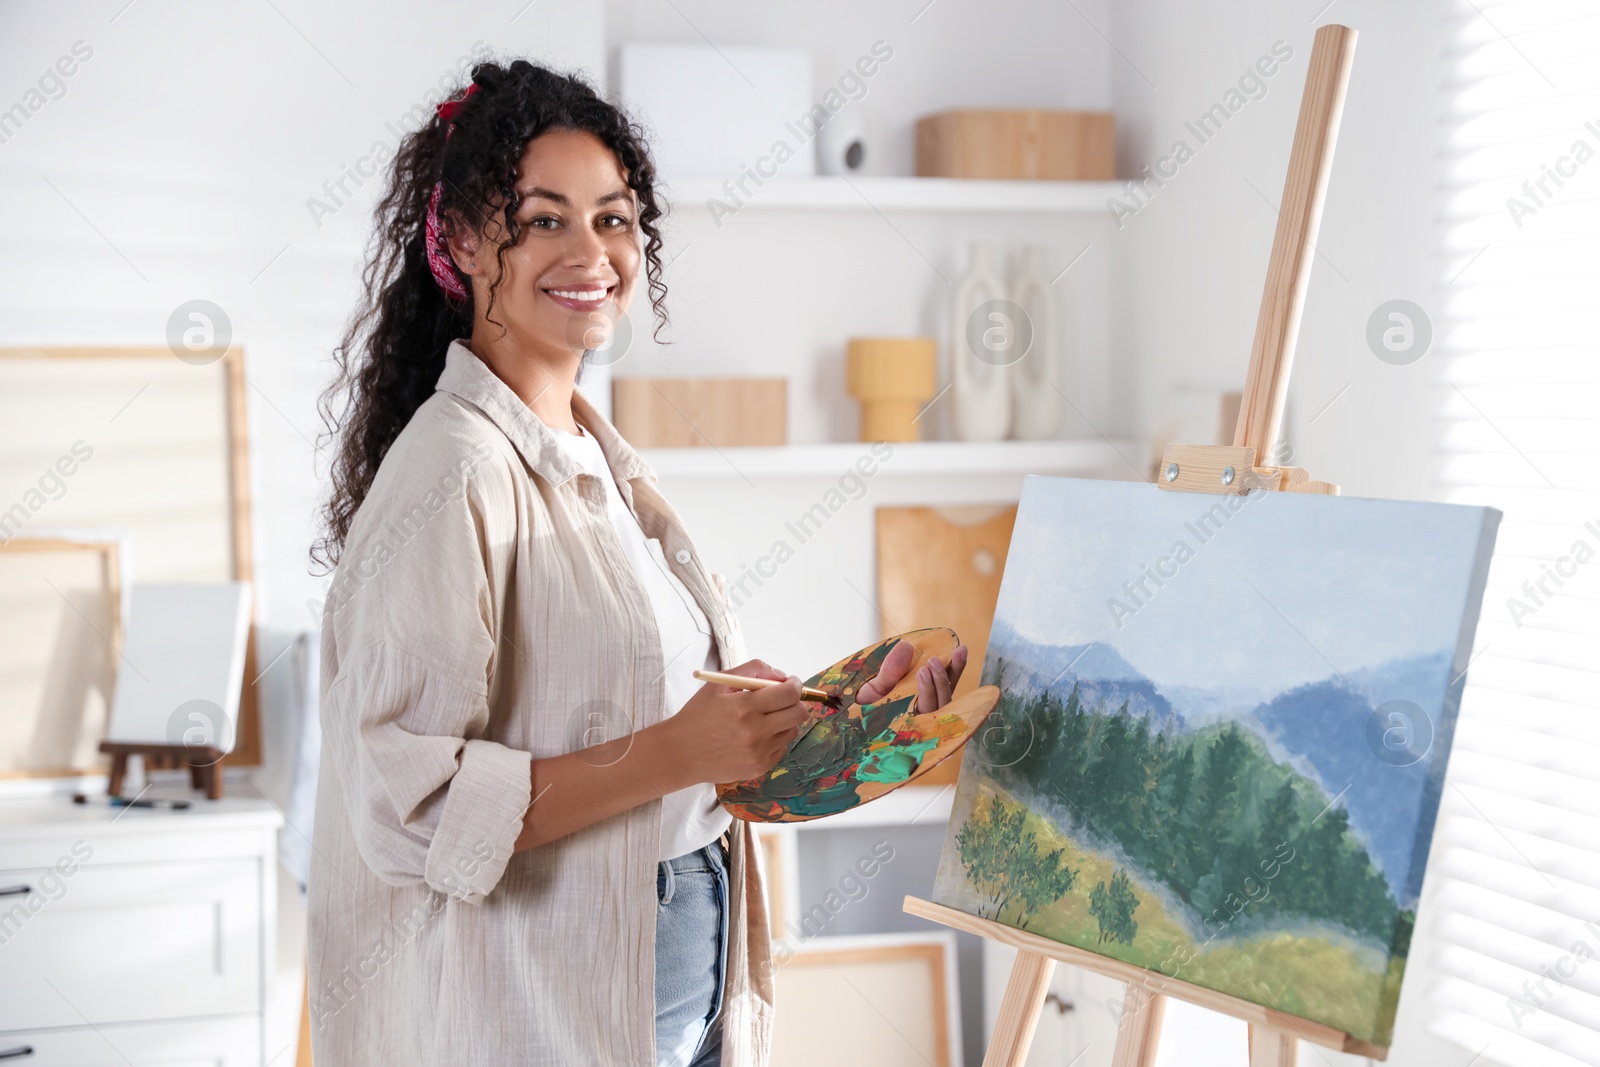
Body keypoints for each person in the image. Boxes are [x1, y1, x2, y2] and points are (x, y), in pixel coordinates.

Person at [306, 58, 967, 1067]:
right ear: (461, 243)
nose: (593, 252)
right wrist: (680, 749)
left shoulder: (587, 450)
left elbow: (641, 727)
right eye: (543, 219)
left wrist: (829, 717)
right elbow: (411, 807)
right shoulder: (451, 471)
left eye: (614, 218)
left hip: (678, 965)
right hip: (556, 988)